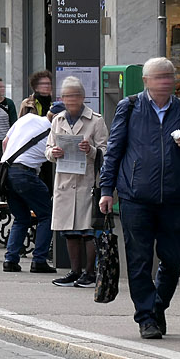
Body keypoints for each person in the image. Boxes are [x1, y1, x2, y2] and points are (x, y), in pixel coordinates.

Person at [98, 57, 180, 339]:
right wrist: (107, 190)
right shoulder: (129, 107)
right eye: (160, 77)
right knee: (139, 260)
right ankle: (146, 318)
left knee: (175, 257)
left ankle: (157, 306)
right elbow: (114, 151)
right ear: (146, 81)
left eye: (169, 76)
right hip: (135, 197)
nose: (166, 81)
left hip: (174, 198)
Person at [46, 76, 108, 288]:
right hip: (64, 180)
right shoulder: (58, 120)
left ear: (82, 97)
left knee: (86, 229)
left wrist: (90, 150)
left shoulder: (96, 120)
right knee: (69, 230)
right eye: (67, 96)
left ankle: (90, 272)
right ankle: (74, 271)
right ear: (62, 98)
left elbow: (106, 151)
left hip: (86, 181)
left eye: (75, 95)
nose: (71, 99)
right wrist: (53, 153)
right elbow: (47, 149)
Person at [0, 105, 57, 274]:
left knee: (21, 217)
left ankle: (10, 260)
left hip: (5, 172)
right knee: (47, 215)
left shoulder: (28, 118)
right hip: (25, 173)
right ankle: (39, 260)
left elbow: (5, 142)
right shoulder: (54, 132)